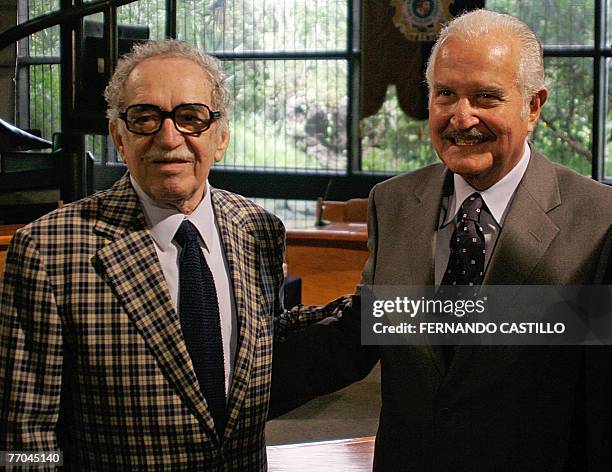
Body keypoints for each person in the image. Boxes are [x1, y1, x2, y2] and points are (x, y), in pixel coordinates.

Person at [271, 9, 612, 471]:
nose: (461, 117)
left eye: (487, 97)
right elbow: (369, 329)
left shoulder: (599, 219)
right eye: (445, 93)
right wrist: (223, 396)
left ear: (534, 106)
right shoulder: (393, 202)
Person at [0, 39, 341, 470]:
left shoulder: (259, 230)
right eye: (145, 117)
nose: (168, 137)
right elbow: (24, 438)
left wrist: (410, 312)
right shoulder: (49, 250)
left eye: (190, 117)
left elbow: (272, 338)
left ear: (221, 137)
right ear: (118, 136)